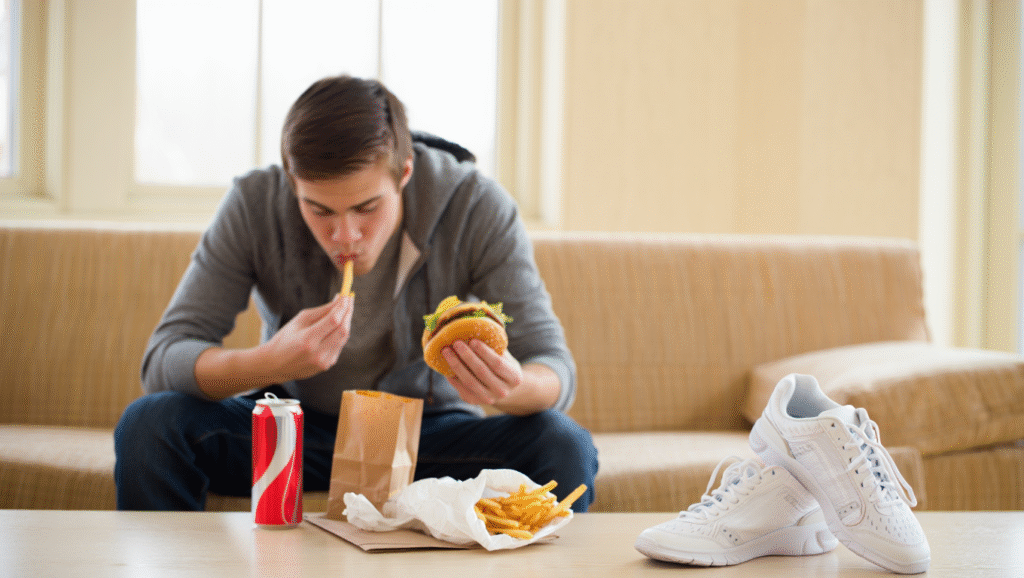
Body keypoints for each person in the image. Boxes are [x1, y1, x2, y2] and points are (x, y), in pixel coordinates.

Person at [114, 74, 598, 511]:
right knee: (151, 425)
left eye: (367, 207)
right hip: (294, 430)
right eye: (319, 210)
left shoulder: (476, 205)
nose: (345, 236)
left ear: (404, 173)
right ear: (292, 183)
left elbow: (554, 366)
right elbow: (164, 358)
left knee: (562, 444)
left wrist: (507, 385)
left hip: (431, 433)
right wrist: (269, 363)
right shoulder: (254, 203)